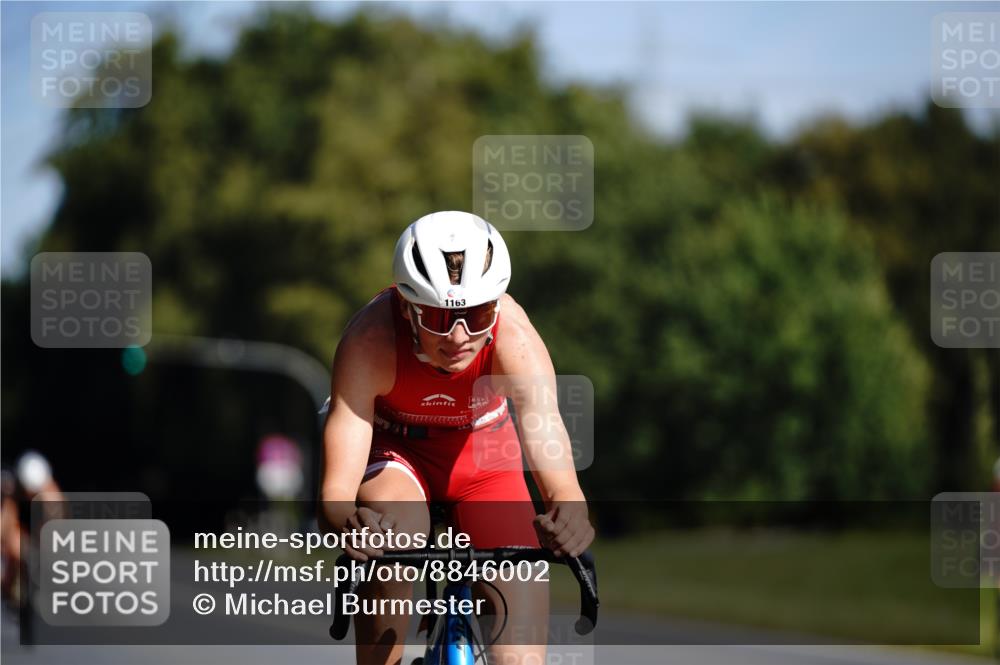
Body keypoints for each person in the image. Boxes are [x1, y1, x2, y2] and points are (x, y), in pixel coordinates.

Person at [320, 211, 594, 665]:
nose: (459, 336)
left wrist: (569, 507)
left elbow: (544, 428)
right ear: (407, 307)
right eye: (438, 317)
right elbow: (335, 494)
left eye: (478, 314)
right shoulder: (369, 342)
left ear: (496, 305)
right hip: (397, 452)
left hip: (483, 458)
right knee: (395, 536)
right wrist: (350, 522)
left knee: (521, 653)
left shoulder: (514, 338)